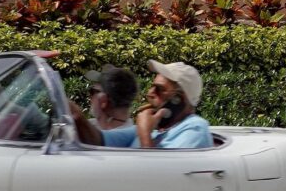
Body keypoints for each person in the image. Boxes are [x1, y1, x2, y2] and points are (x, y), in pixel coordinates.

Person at [71, 60, 212, 149]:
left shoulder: (194, 128)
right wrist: (74, 114)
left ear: (178, 99)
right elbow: (98, 140)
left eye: (159, 89)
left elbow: (164, 181)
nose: (150, 93)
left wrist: (145, 133)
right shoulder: (157, 129)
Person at [84, 65, 138, 130]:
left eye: (93, 91)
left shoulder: (87, 132)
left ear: (104, 99)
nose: (90, 96)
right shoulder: (89, 125)